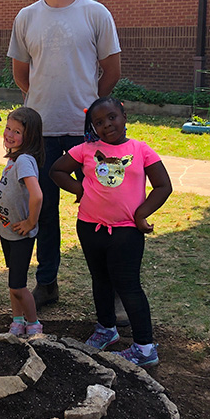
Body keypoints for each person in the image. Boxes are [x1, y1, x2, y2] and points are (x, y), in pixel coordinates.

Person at [8, 0, 122, 311]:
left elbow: (111, 70)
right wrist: (42, 102)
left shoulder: (96, 13)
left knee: (103, 209)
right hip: (40, 134)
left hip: (85, 133)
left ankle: (114, 289)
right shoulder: (26, 17)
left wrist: (89, 109)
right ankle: (47, 282)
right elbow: (22, 74)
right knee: (46, 212)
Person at [49, 97, 172, 366]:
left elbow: (163, 186)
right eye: (99, 122)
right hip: (90, 227)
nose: (107, 125)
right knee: (100, 280)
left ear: (124, 116)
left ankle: (144, 347)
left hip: (127, 232)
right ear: (93, 127)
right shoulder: (85, 150)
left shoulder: (140, 150)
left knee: (127, 286)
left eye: (112, 117)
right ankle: (106, 328)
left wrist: (141, 214)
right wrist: (79, 189)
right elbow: (57, 170)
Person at [0, 106, 44, 336]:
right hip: (8, 232)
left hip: (20, 235)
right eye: (8, 128)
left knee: (18, 285)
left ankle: (33, 324)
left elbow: (37, 195)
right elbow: (14, 189)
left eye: (17, 132)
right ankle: (17, 321)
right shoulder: (15, 158)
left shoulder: (24, 160)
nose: (9, 135)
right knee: (14, 281)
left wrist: (31, 222)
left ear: (29, 137)